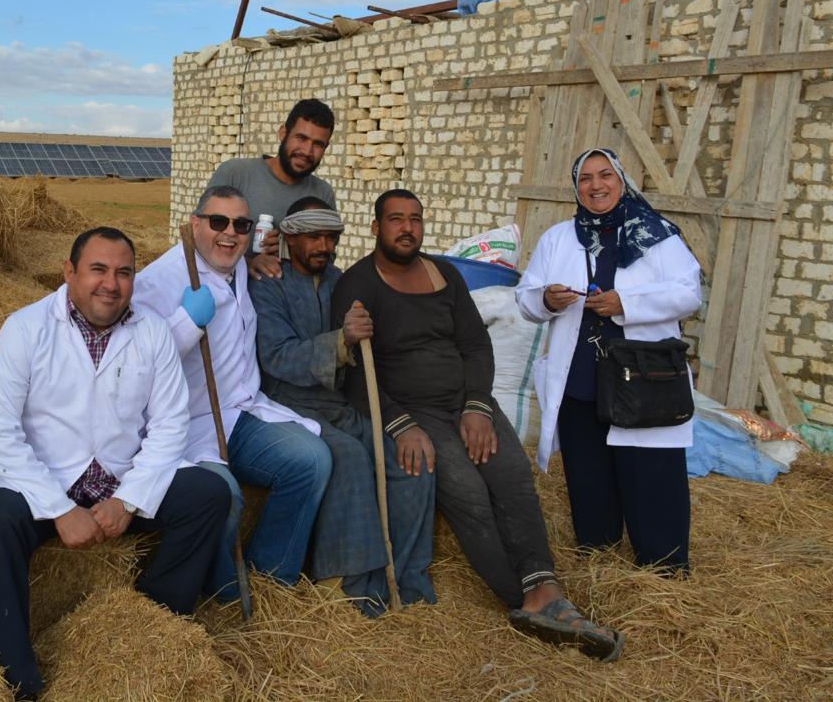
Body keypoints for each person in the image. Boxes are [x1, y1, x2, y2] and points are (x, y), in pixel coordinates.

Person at [331, 189, 623, 661]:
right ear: (375, 227)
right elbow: (355, 376)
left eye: (415, 219)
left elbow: (475, 345)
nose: (407, 228)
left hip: (464, 402)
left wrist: (477, 407)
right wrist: (402, 426)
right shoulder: (356, 285)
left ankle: (546, 589)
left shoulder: (444, 274)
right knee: (466, 490)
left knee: (513, 477)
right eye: (396, 219)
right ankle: (522, 599)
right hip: (416, 411)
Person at [0, 227, 229, 698]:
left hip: (118, 482)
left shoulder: (152, 332)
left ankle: (148, 627)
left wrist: (128, 500)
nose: (111, 284)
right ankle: (16, 679)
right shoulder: (25, 329)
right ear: (69, 272)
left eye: (124, 272)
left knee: (209, 494)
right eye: (98, 270)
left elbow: (170, 427)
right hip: (44, 486)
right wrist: (59, 509)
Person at [132, 186, 331, 600]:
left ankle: (270, 577)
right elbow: (136, 367)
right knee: (224, 496)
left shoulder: (239, 265)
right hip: (186, 426)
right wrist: (186, 322)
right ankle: (225, 594)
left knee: (312, 461)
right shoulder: (158, 282)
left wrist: (255, 258)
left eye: (241, 225)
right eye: (218, 222)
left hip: (239, 413)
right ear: (195, 224)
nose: (230, 233)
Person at [516, 148, 700, 575]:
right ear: (576, 187)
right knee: (588, 476)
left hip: (643, 381)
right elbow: (525, 298)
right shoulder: (559, 238)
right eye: (585, 178)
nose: (595, 186)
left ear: (621, 181)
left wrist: (626, 303)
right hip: (581, 380)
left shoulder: (656, 235)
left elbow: (689, 293)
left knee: (652, 477)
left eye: (605, 175)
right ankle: (598, 563)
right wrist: (546, 299)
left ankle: (664, 569)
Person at [249, 197, 436, 615]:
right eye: (314, 237)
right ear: (291, 237)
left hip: (341, 404)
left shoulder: (343, 281)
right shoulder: (267, 284)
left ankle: (405, 578)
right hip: (288, 406)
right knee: (349, 456)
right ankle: (347, 585)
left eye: (331, 237)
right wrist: (341, 340)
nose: (324, 246)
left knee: (413, 461)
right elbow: (277, 356)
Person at [207, 98, 337, 280]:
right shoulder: (235, 174)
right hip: (226, 291)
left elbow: (327, 257)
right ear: (283, 133)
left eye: (318, 144)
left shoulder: (322, 194)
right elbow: (201, 237)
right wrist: (248, 263)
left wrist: (290, 249)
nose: (307, 151)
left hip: (291, 295)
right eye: (301, 138)